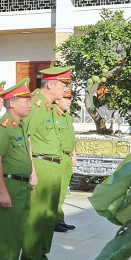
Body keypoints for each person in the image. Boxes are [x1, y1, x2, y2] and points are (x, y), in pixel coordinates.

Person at [22, 65, 73, 260]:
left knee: (50, 214)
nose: (65, 90)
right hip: (40, 164)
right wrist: (32, 171)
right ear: (50, 84)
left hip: (55, 164)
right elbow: (27, 138)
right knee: (37, 215)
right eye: (62, 85)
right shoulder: (35, 105)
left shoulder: (51, 107)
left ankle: (41, 256)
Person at [0, 78, 37, 260]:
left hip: (22, 186)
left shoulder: (20, 125)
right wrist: (2, 191)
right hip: (8, 184)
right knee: (4, 235)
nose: (29, 105)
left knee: (17, 233)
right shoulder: (2, 127)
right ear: (12, 103)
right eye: (25, 101)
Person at [54, 88, 77, 232]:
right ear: (57, 100)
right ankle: (53, 220)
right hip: (59, 156)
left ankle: (59, 218)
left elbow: (70, 137)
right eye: (66, 98)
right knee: (56, 190)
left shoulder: (67, 116)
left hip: (67, 156)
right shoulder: (53, 115)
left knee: (63, 190)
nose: (69, 101)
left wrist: (73, 153)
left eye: (70, 99)